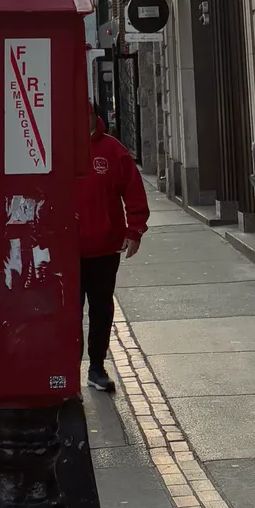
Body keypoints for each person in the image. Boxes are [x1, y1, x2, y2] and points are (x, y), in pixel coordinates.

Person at [76, 102, 149, 392]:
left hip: (105, 248)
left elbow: (133, 191)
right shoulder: (60, 149)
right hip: (68, 251)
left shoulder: (113, 150)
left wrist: (135, 231)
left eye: (86, 115)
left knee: (101, 310)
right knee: (69, 314)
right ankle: (69, 369)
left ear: (94, 116)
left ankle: (96, 367)